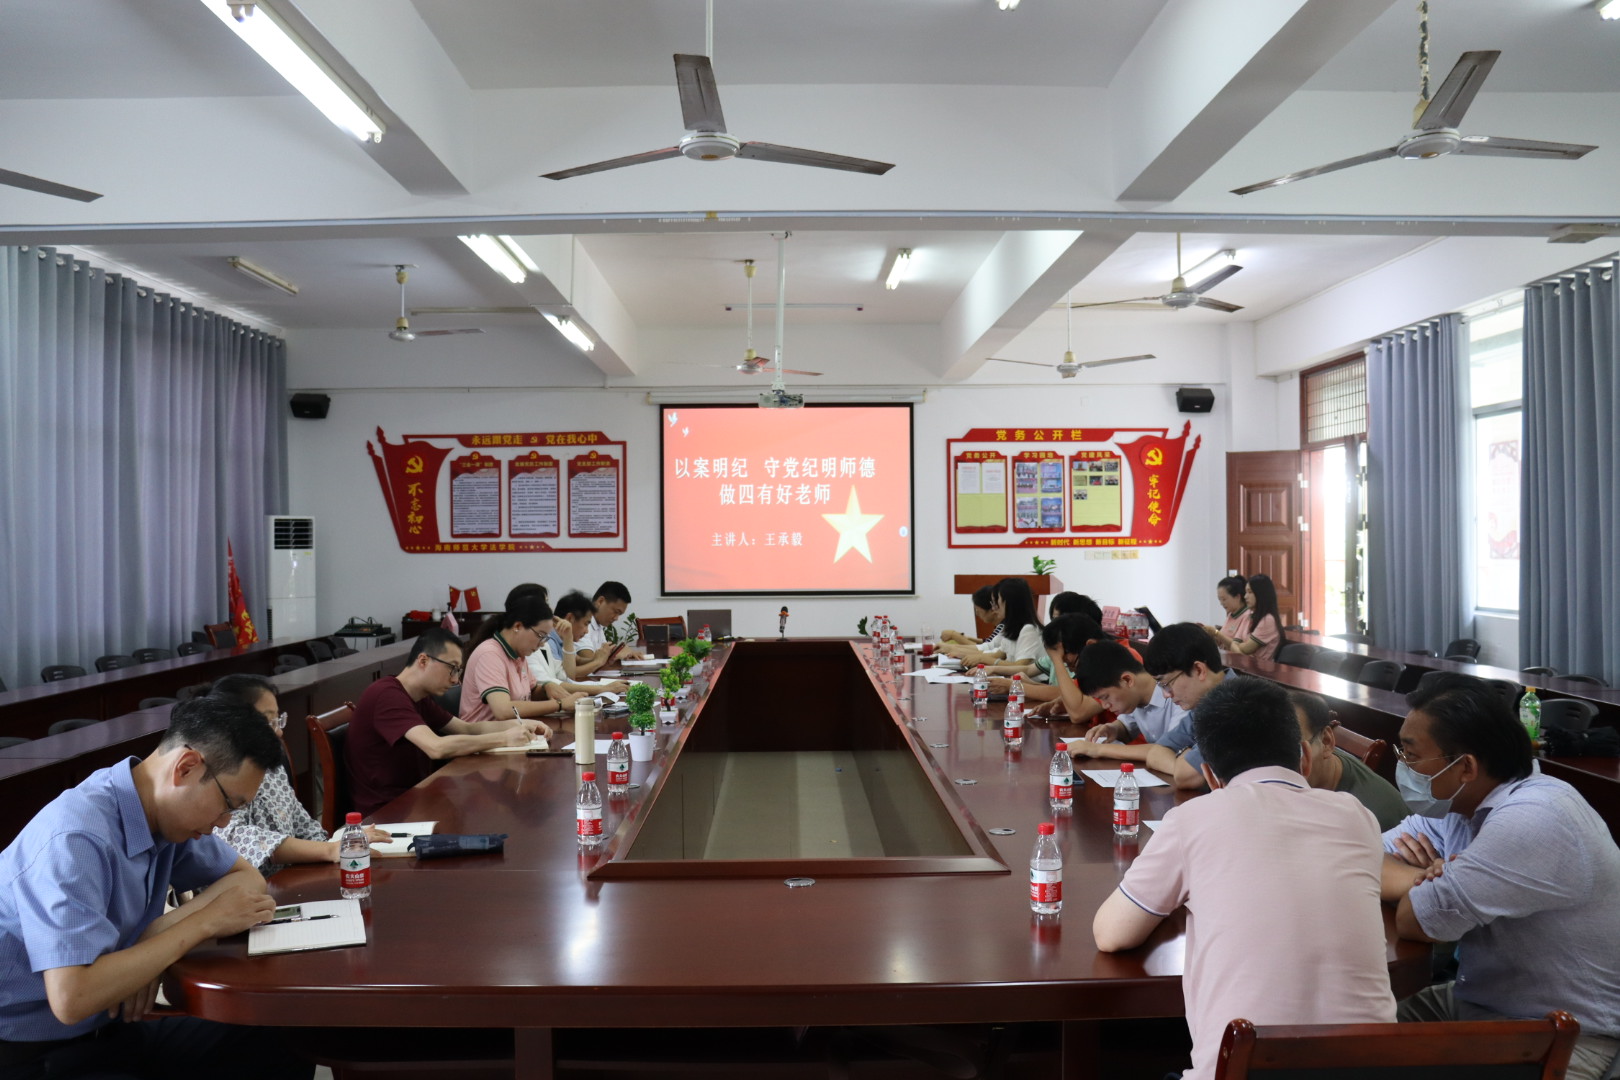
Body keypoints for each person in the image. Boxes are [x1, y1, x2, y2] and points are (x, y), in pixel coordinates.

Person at [1093, 676, 1395, 1080]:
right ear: (1305, 757)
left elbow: (1112, 934)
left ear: (1210, 776)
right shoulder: (1358, 816)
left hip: (1244, 1068)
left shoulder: (1193, 819)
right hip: (1372, 1068)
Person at [0, 697, 313, 1080]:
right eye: (227, 803)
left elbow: (247, 878)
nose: (223, 823)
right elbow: (72, 998)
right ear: (185, 767)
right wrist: (200, 924)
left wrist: (151, 944)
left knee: (279, 1037)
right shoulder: (76, 838)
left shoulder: (163, 814)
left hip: (110, 1032)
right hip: (35, 1055)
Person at [1381, 674, 1620, 1080]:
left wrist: (1440, 880)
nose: (1403, 766)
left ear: (1466, 766)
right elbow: (1366, 856)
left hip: (1564, 1033)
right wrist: (1429, 879)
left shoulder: (1533, 818)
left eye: (1411, 755)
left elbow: (1414, 921)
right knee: (1347, 1030)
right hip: (1479, 1001)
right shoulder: (1459, 804)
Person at [346, 628, 542, 816]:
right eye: (452, 669)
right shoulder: (387, 695)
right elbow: (436, 747)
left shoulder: (418, 697)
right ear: (423, 660)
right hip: (386, 813)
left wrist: (521, 724)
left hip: (415, 799)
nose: (456, 680)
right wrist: (503, 739)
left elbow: (466, 728)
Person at [208, 673, 388, 873]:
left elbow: (303, 825)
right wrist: (328, 850)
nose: (279, 732)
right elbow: (235, 837)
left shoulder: (272, 766)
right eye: (269, 722)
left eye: (278, 721)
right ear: (232, 724)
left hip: (287, 881)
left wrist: (341, 840)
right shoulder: (216, 774)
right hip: (240, 892)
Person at [1067, 622, 1230, 790]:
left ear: (1198, 670)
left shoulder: (1232, 706)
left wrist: (1183, 765)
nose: (1166, 694)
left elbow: (1187, 776)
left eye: (1167, 684)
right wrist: (1180, 763)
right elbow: (1157, 752)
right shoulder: (1204, 704)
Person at [1289, 690, 1409, 831]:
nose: (1275, 763)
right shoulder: (1314, 761)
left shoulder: (1370, 818)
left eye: (1293, 749)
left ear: (1326, 742)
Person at [459, 592, 574, 726]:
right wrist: (560, 704)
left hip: (512, 734)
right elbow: (503, 710)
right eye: (540, 636)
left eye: (546, 638)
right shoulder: (490, 654)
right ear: (518, 626)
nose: (542, 644)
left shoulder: (519, 654)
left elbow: (530, 693)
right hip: (482, 739)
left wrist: (546, 687)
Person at [500, 584, 625, 704]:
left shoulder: (541, 643)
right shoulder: (525, 647)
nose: (550, 610)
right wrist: (601, 688)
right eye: (545, 604)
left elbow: (565, 677)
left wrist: (568, 638)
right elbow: (552, 682)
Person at [1073, 639, 1188, 744]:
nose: (1105, 705)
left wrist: (1100, 750)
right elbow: (1126, 726)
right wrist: (1112, 730)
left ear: (1127, 680)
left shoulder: (1178, 696)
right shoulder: (1135, 698)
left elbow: (1169, 749)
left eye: (1105, 697)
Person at [942, 578, 1043, 668]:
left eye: (997, 602)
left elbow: (1020, 666)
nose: (995, 608)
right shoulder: (1012, 627)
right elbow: (998, 654)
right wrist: (963, 654)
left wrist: (982, 659)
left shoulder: (1029, 629)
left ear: (1010, 603)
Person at [1206, 573, 1284, 662]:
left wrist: (1217, 633)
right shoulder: (1250, 616)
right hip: (1240, 664)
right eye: (1246, 592)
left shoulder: (1267, 620)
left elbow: (1243, 651)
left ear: (1261, 594)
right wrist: (1239, 646)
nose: (1245, 596)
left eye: (1250, 592)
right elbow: (1236, 644)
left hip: (1255, 672)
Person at [579, 581, 646, 661]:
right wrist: (617, 655)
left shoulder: (598, 624)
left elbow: (603, 654)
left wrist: (625, 652)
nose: (616, 618)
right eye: (616, 612)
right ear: (600, 601)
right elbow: (589, 660)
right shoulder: (581, 622)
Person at [1199, 574, 1250, 644]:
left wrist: (1216, 632)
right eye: (1219, 599)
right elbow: (1222, 641)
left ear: (1238, 597)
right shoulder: (1231, 615)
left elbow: (1238, 646)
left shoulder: (1248, 616)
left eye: (1224, 599)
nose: (1221, 603)